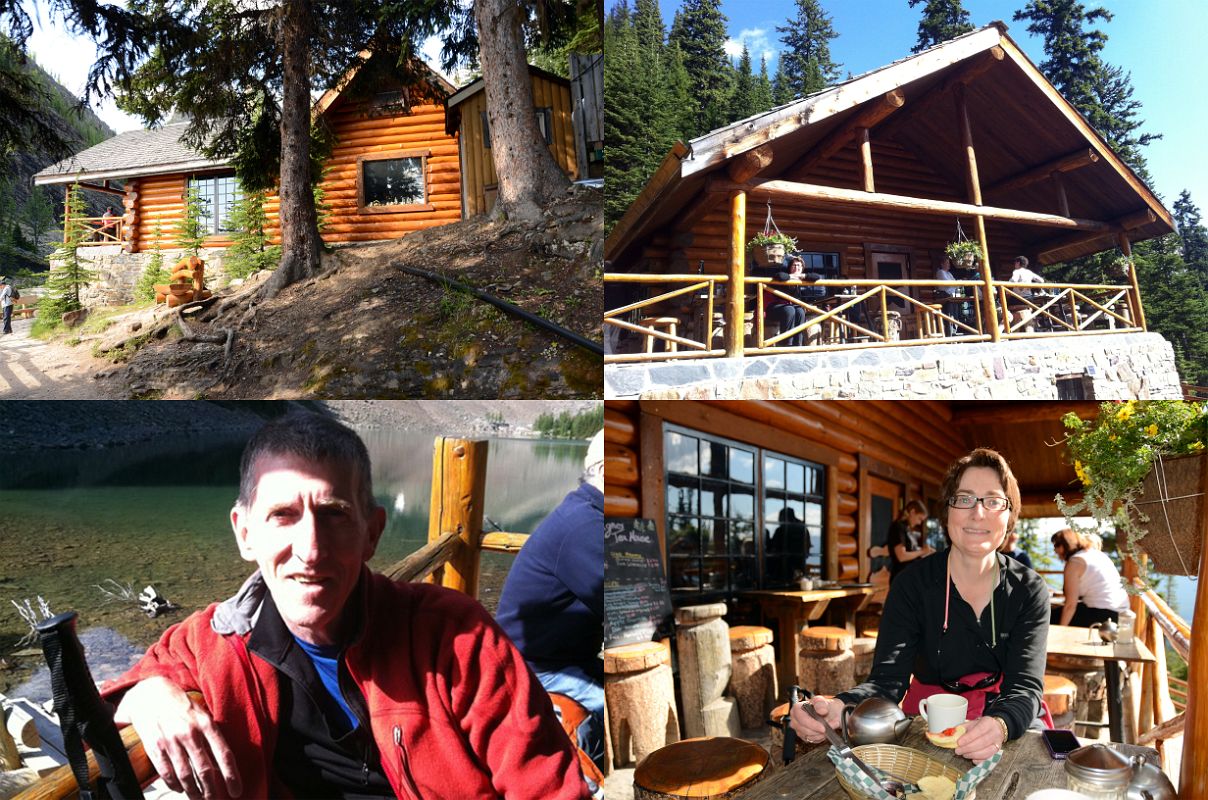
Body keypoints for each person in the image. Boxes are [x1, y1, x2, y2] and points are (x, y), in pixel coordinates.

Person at [103, 412, 587, 800]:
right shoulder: (215, 640)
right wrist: (148, 696)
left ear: (372, 533)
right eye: (283, 516)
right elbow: (107, 705)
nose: (311, 550)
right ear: (244, 532)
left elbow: (546, 785)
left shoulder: (455, 637)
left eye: (334, 515)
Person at [791, 448, 1050, 764]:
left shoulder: (1029, 589)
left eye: (993, 501)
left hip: (1004, 712)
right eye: (964, 498)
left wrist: (1000, 724)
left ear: (1010, 514)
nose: (978, 513)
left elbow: (1025, 687)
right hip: (927, 716)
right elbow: (887, 681)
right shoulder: (912, 584)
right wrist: (840, 706)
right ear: (947, 512)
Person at [496, 429, 605, 791]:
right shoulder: (585, 526)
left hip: (560, 660)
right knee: (618, 703)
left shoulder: (588, 515)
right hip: (536, 669)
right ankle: (589, 784)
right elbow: (621, 604)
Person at [1050, 528, 1129, 627]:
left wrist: (1061, 631)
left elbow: (1070, 605)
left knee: (1046, 616)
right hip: (1119, 612)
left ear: (1067, 543)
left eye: (1057, 545)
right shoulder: (1097, 554)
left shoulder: (1075, 562)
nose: (1055, 550)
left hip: (1102, 614)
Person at [757, 255, 809, 347]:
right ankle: (786, 344)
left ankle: (798, 344)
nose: (796, 268)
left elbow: (816, 276)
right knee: (790, 310)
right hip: (772, 308)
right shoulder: (784, 275)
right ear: (790, 267)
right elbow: (779, 276)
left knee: (800, 311)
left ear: (802, 268)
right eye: (794, 265)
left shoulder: (801, 278)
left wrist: (803, 276)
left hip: (789, 308)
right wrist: (792, 276)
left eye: (799, 266)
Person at [886, 499, 932, 581]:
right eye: (920, 519)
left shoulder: (908, 529)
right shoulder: (898, 527)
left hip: (910, 577)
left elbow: (911, 552)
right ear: (912, 512)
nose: (920, 523)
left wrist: (925, 553)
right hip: (900, 578)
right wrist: (922, 551)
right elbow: (901, 556)